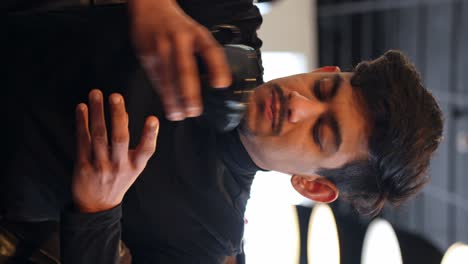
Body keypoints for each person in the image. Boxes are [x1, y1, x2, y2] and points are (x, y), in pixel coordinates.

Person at [1, 1, 443, 263]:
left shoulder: (206, 239)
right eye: (322, 88)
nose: (298, 104)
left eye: (320, 132)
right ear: (325, 70)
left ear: (313, 185)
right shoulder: (229, 15)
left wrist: (97, 208)